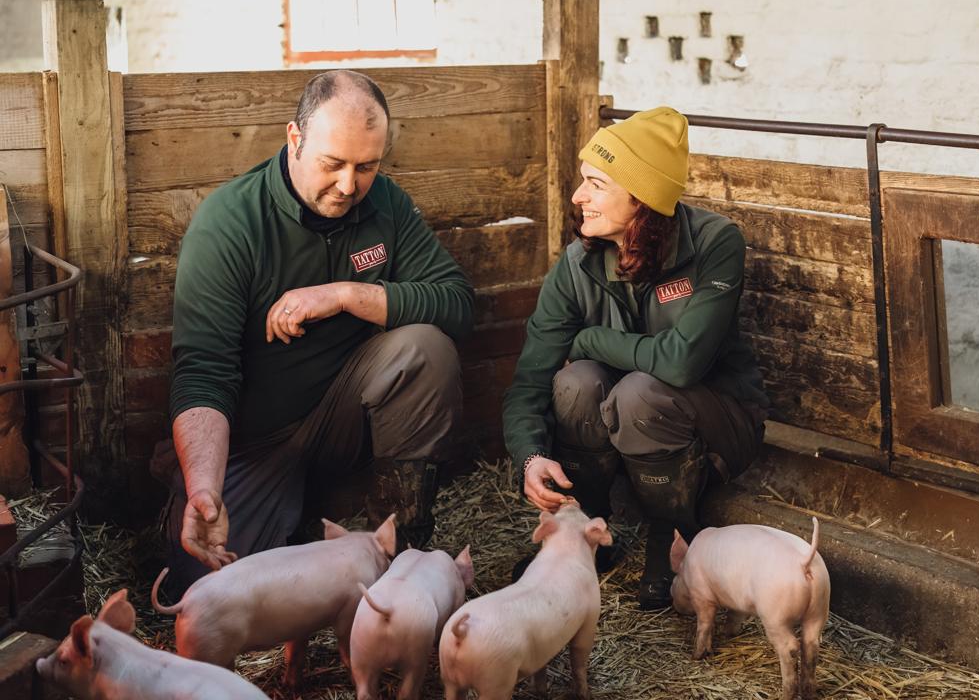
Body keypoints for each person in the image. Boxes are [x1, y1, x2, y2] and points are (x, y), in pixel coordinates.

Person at [159, 70, 474, 594]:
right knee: (203, 589)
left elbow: (458, 304)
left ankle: (406, 556)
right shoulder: (229, 223)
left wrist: (346, 293)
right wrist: (204, 488)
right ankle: (258, 511)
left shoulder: (385, 204)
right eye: (333, 164)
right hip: (252, 441)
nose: (349, 186)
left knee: (425, 348)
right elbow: (202, 373)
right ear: (295, 138)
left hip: (343, 420)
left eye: (367, 167)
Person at [502, 106, 768, 609]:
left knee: (639, 391)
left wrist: (589, 339)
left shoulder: (716, 243)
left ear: (641, 198)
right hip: (623, 424)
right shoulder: (579, 263)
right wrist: (530, 456)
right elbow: (531, 377)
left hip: (717, 422)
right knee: (575, 383)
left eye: (596, 184)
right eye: (583, 181)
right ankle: (589, 533)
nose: (579, 196)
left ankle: (669, 541)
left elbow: (681, 362)